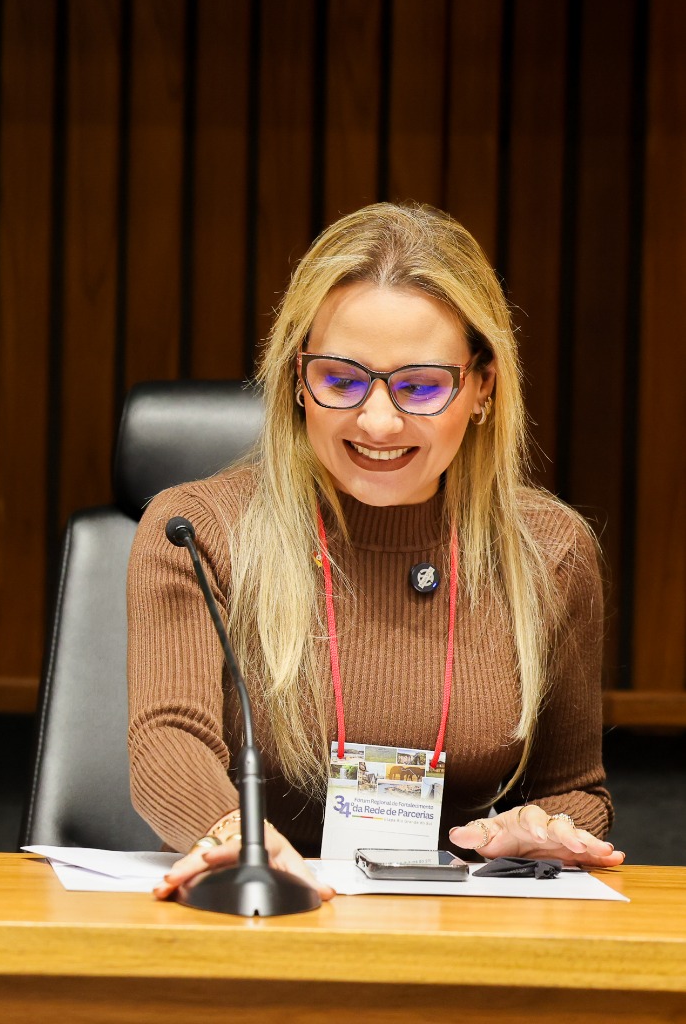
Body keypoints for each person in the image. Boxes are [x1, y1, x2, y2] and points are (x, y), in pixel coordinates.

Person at [127, 202, 622, 899]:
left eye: (420, 386)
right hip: (256, 907)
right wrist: (234, 832)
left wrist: (538, 828)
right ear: (298, 381)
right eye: (341, 380)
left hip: (457, 929)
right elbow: (167, 741)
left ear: (482, 387)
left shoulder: (550, 552)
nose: (379, 420)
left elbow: (575, 790)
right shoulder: (196, 530)